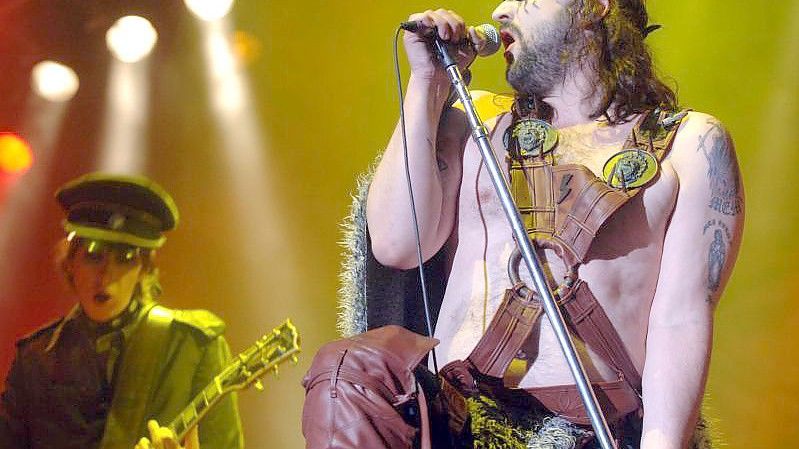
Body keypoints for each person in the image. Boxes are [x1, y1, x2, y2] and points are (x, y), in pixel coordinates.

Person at [303, 1, 743, 449]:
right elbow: (398, 244)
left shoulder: (690, 145)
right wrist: (428, 84)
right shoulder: (472, 124)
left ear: (594, 7)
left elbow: (681, 317)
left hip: (589, 429)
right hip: (458, 421)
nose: (500, 11)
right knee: (350, 367)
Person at [0, 173, 244, 449]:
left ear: (145, 269)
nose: (106, 276)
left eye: (125, 257)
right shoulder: (34, 359)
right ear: (70, 262)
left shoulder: (193, 348)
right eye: (94, 254)